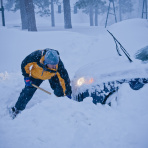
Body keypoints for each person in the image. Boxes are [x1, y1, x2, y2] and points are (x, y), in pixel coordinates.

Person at [10, 48, 72, 118]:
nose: (55, 66)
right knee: (28, 92)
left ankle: (62, 106)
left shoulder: (58, 64)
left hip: (52, 75)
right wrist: (26, 76)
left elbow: (64, 79)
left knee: (59, 90)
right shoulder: (35, 56)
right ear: (46, 62)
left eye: (56, 64)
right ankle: (17, 109)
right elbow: (24, 64)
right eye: (52, 65)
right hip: (36, 75)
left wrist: (68, 93)